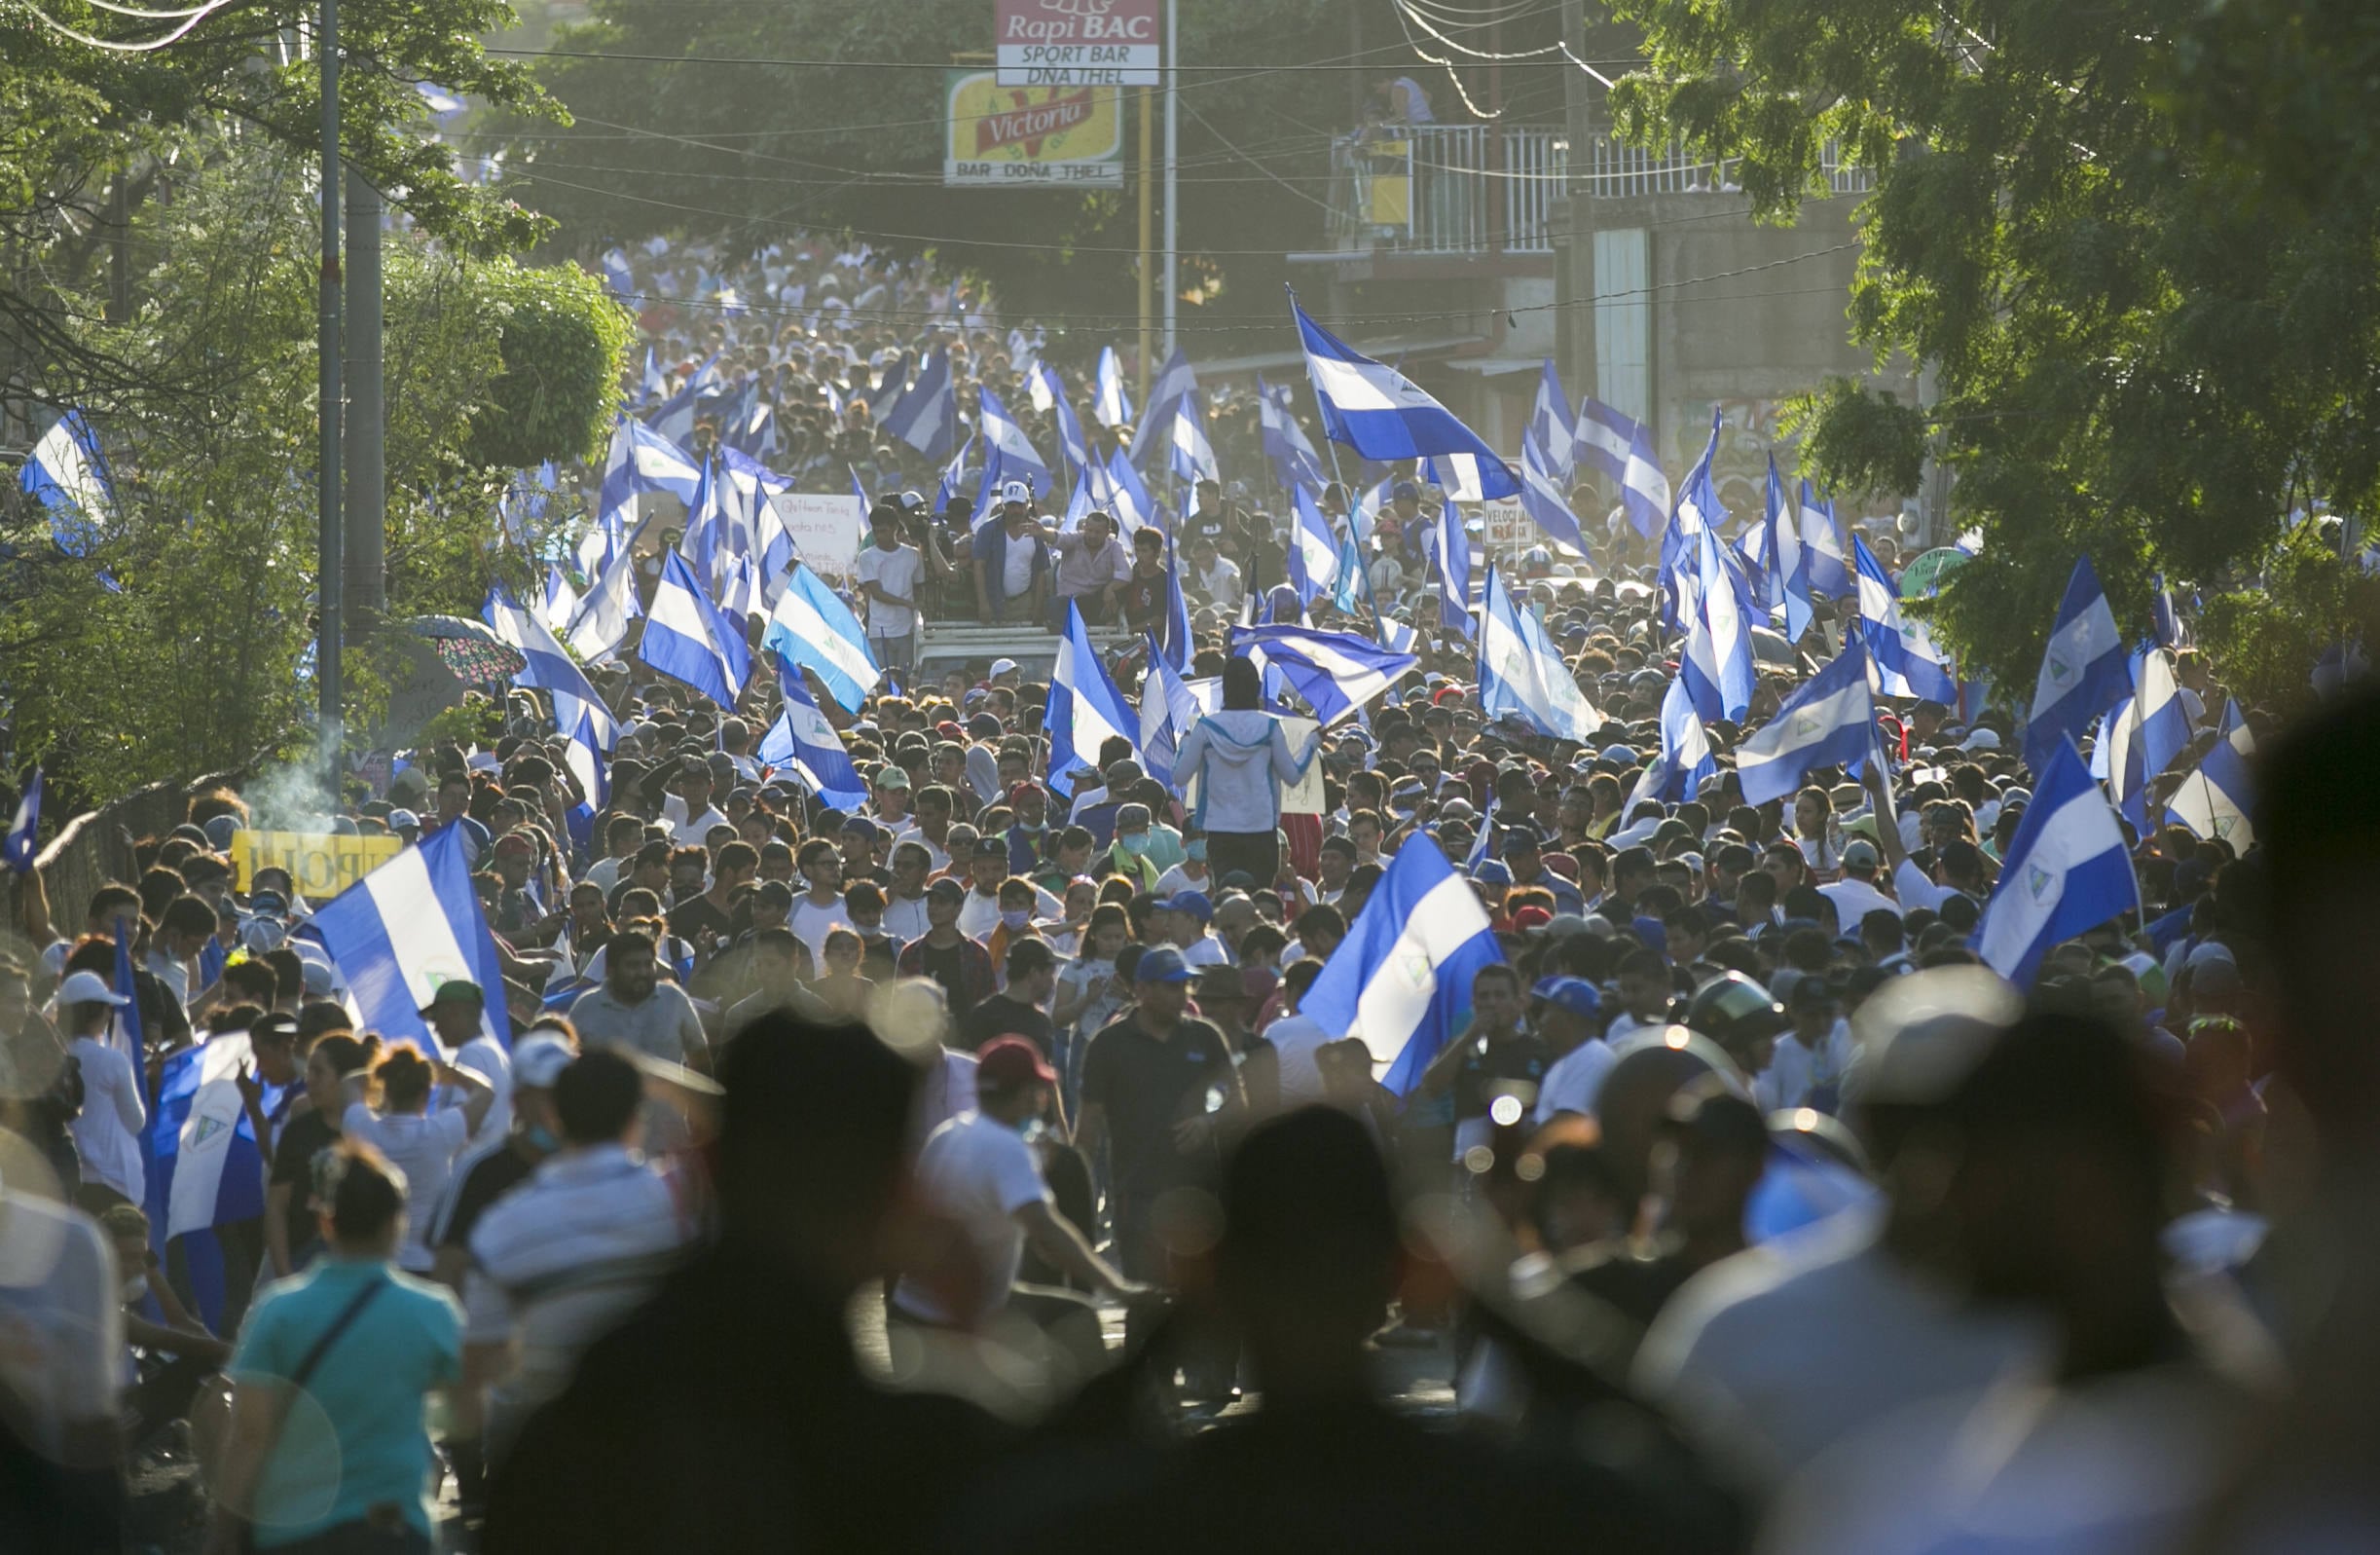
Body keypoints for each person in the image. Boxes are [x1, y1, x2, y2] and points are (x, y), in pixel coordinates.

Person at [485, 1013, 1004, 1550]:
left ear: (705, 1166)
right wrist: (971, 1337)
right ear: (903, 1195)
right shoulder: (929, 1455)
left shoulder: (573, 1432)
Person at [208, 1141, 461, 1555]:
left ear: (326, 1222)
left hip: (294, 1531)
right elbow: (466, 1413)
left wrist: (222, 1529)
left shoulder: (279, 1311)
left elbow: (249, 1434)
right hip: (394, 1529)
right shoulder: (433, 1311)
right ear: (397, 1223)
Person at [465, 1049, 698, 1456]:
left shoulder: (502, 1227)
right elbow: (745, 1127)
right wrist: (654, 1077)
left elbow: (480, 1360)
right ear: (636, 1116)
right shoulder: (681, 1198)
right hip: (664, 1447)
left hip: (545, 1455)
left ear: (555, 1118)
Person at [889, 1038, 1141, 1373]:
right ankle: (1097, 1420)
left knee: (1063, 1317)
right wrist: (1119, 1288)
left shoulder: (949, 1134)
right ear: (1025, 1095)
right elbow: (1047, 1230)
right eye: (1038, 1092)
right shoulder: (1006, 1147)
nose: (1041, 1102)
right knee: (1078, 1321)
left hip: (911, 1312)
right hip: (951, 1319)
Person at [337, 1040, 496, 1276]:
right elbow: (486, 1092)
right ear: (425, 1092)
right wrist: (453, 1073)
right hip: (428, 1264)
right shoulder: (440, 1132)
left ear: (386, 1089)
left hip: (378, 1264)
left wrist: (387, 1069)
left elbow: (349, 1083)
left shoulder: (364, 1128)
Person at [1169, 656, 1319, 885]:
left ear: (1225, 689)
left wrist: (1184, 745)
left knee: (1228, 901)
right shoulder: (1271, 727)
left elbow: (1179, 777)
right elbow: (1293, 776)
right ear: (1256, 688)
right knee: (1260, 899)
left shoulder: (1205, 728)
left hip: (1220, 831)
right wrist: (1312, 743)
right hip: (1262, 830)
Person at [55, 970, 143, 1214]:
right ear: (98, 1012)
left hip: (74, 1176)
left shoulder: (53, 1056)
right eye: (107, 1008)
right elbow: (135, 1121)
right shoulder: (113, 1061)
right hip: (111, 1177)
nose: (109, 1015)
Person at [567, 929, 710, 1070]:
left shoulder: (674, 999)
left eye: (648, 964)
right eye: (632, 965)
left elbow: (701, 1060)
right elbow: (567, 1064)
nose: (642, 972)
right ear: (610, 970)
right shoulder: (586, 1007)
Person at [858, 500, 927, 675]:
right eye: (876, 531)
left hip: (906, 629)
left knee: (904, 678)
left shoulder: (912, 555)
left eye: (883, 531)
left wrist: (919, 608)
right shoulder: (867, 557)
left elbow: (919, 587)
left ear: (895, 527)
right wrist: (909, 604)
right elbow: (877, 593)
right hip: (878, 630)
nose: (879, 535)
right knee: (882, 680)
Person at [972, 480, 1050, 624]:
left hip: (1025, 602)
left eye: (1019, 505)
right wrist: (983, 603)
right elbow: (979, 566)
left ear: (1027, 504)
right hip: (995, 601)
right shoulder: (988, 530)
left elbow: (1041, 572)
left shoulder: (1037, 530)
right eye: (1011, 505)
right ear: (1003, 505)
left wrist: (1037, 608)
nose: (1015, 510)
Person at [1047, 509, 1132, 628]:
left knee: (1120, 591)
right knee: (1056, 605)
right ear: (1084, 528)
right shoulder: (1074, 539)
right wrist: (1042, 532)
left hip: (1095, 602)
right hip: (1067, 601)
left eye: (1098, 532)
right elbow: (1057, 539)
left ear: (1108, 533)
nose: (1093, 535)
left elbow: (1126, 574)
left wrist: (1110, 588)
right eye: (1090, 530)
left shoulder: (1115, 546)